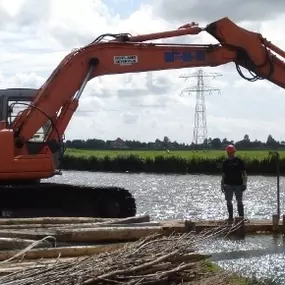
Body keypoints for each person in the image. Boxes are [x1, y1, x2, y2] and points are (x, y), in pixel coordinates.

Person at [221, 144, 248, 222]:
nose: (229, 154)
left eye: (230, 152)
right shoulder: (225, 162)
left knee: (239, 200)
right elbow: (223, 175)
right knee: (228, 200)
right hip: (228, 185)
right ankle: (230, 217)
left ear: (234, 152)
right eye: (228, 152)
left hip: (238, 185)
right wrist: (222, 185)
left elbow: (244, 174)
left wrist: (244, 183)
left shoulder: (239, 161)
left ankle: (241, 217)